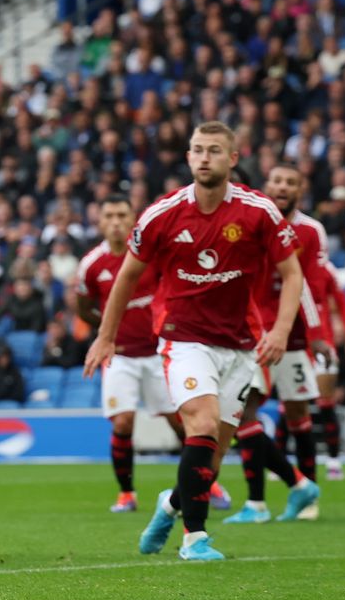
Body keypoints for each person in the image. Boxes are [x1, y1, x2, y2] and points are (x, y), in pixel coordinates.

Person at [84, 121, 315, 562]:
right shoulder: (162, 213)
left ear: (232, 158)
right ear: (188, 157)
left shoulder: (258, 211)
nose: (204, 157)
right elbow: (126, 277)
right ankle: (194, 538)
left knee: (210, 462)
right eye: (197, 150)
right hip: (183, 340)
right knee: (202, 425)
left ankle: (170, 505)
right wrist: (105, 337)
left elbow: (292, 274)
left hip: (240, 346)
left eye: (213, 150)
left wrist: (281, 330)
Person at [76, 194, 230, 513]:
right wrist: (109, 330)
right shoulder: (91, 265)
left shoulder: (152, 256)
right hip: (120, 357)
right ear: (100, 221)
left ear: (133, 218)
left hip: (161, 353)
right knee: (122, 423)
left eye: (122, 215)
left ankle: (207, 481)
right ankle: (126, 494)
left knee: (182, 421)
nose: (116, 222)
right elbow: (83, 307)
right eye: (110, 215)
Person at [224, 163, 326, 523]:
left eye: (290, 182)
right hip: (254, 334)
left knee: (298, 415)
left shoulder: (311, 231)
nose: (282, 187)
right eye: (277, 181)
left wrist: (317, 335)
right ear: (267, 185)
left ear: (301, 189)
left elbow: (310, 285)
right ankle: (259, 502)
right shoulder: (253, 222)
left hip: (293, 338)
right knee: (241, 411)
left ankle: (306, 493)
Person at [308, 253, 345, 481]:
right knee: (291, 406)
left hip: (322, 344)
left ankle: (333, 460)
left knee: (325, 404)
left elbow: (342, 305)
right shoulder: (278, 261)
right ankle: (282, 461)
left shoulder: (324, 269)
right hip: (292, 344)